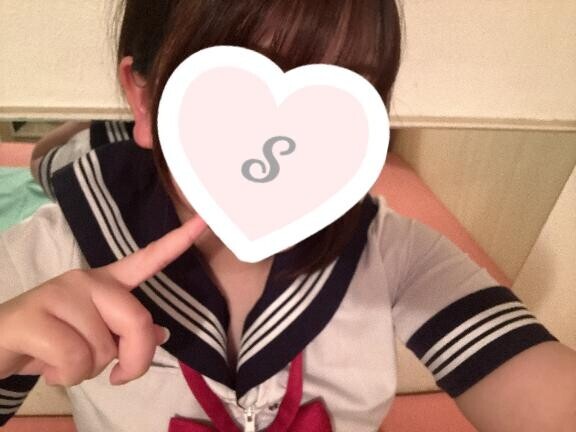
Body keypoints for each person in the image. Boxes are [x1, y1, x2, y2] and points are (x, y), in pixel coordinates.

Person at [1, 1, 575, 431]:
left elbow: (534, 378)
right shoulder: (51, 253)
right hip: (120, 155)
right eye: (227, 86)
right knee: (58, 158)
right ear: (147, 95)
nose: (286, 141)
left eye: (337, 93)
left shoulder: (393, 251)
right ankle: (82, 144)